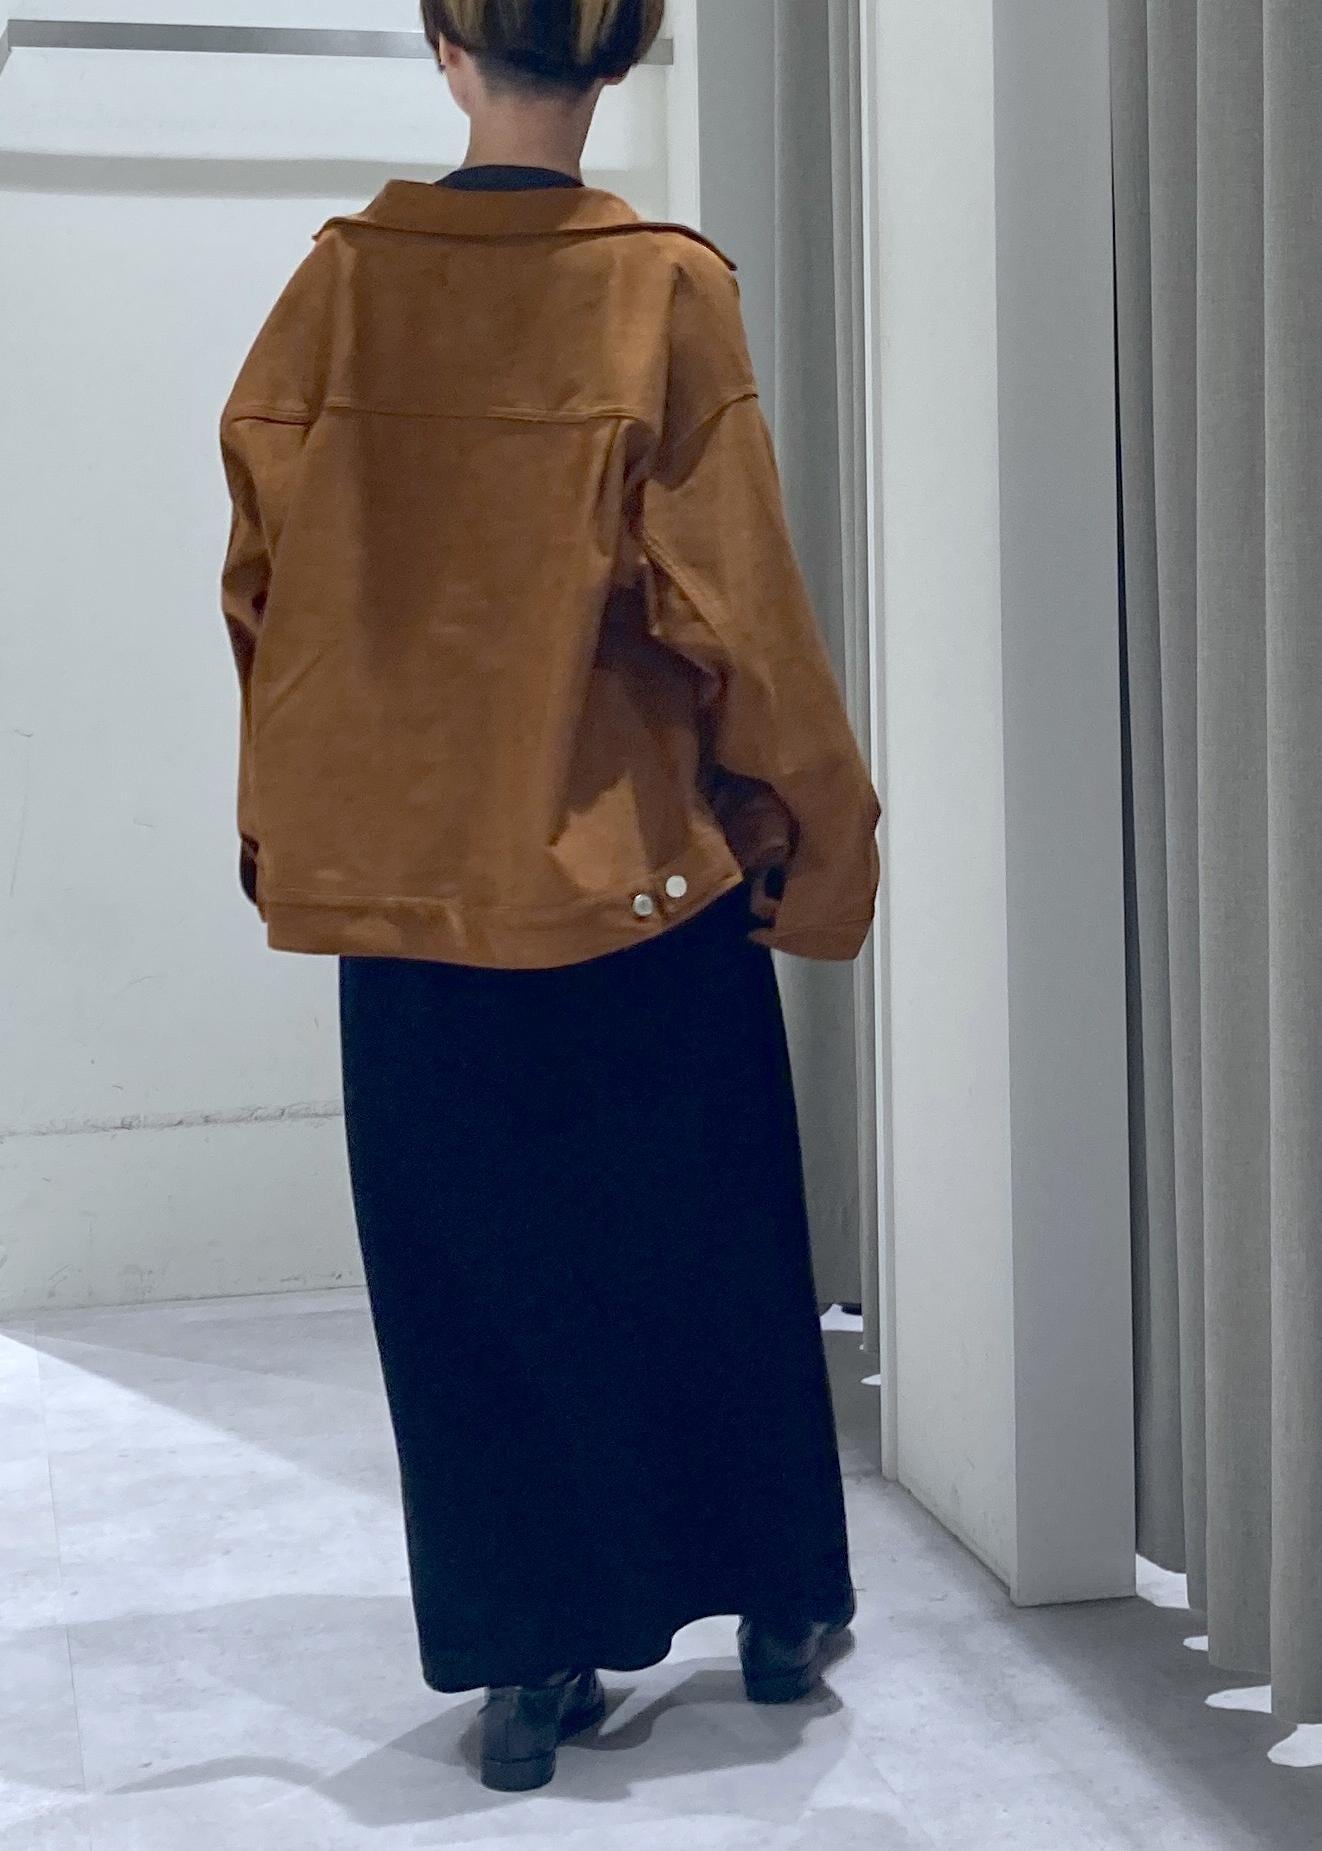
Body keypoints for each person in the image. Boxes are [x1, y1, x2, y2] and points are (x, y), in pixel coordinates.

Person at [218, 0, 881, 1796]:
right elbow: (737, 608)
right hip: (637, 874)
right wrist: (818, 840)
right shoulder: (659, 287)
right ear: (625, 53)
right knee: (709, 1244)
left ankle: (529, 1663)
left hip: (411, 890)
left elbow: (262, 581)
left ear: (446, 47)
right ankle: (775, 1606)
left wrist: (302, 820)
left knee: (471, 1279)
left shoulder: (340, 287)